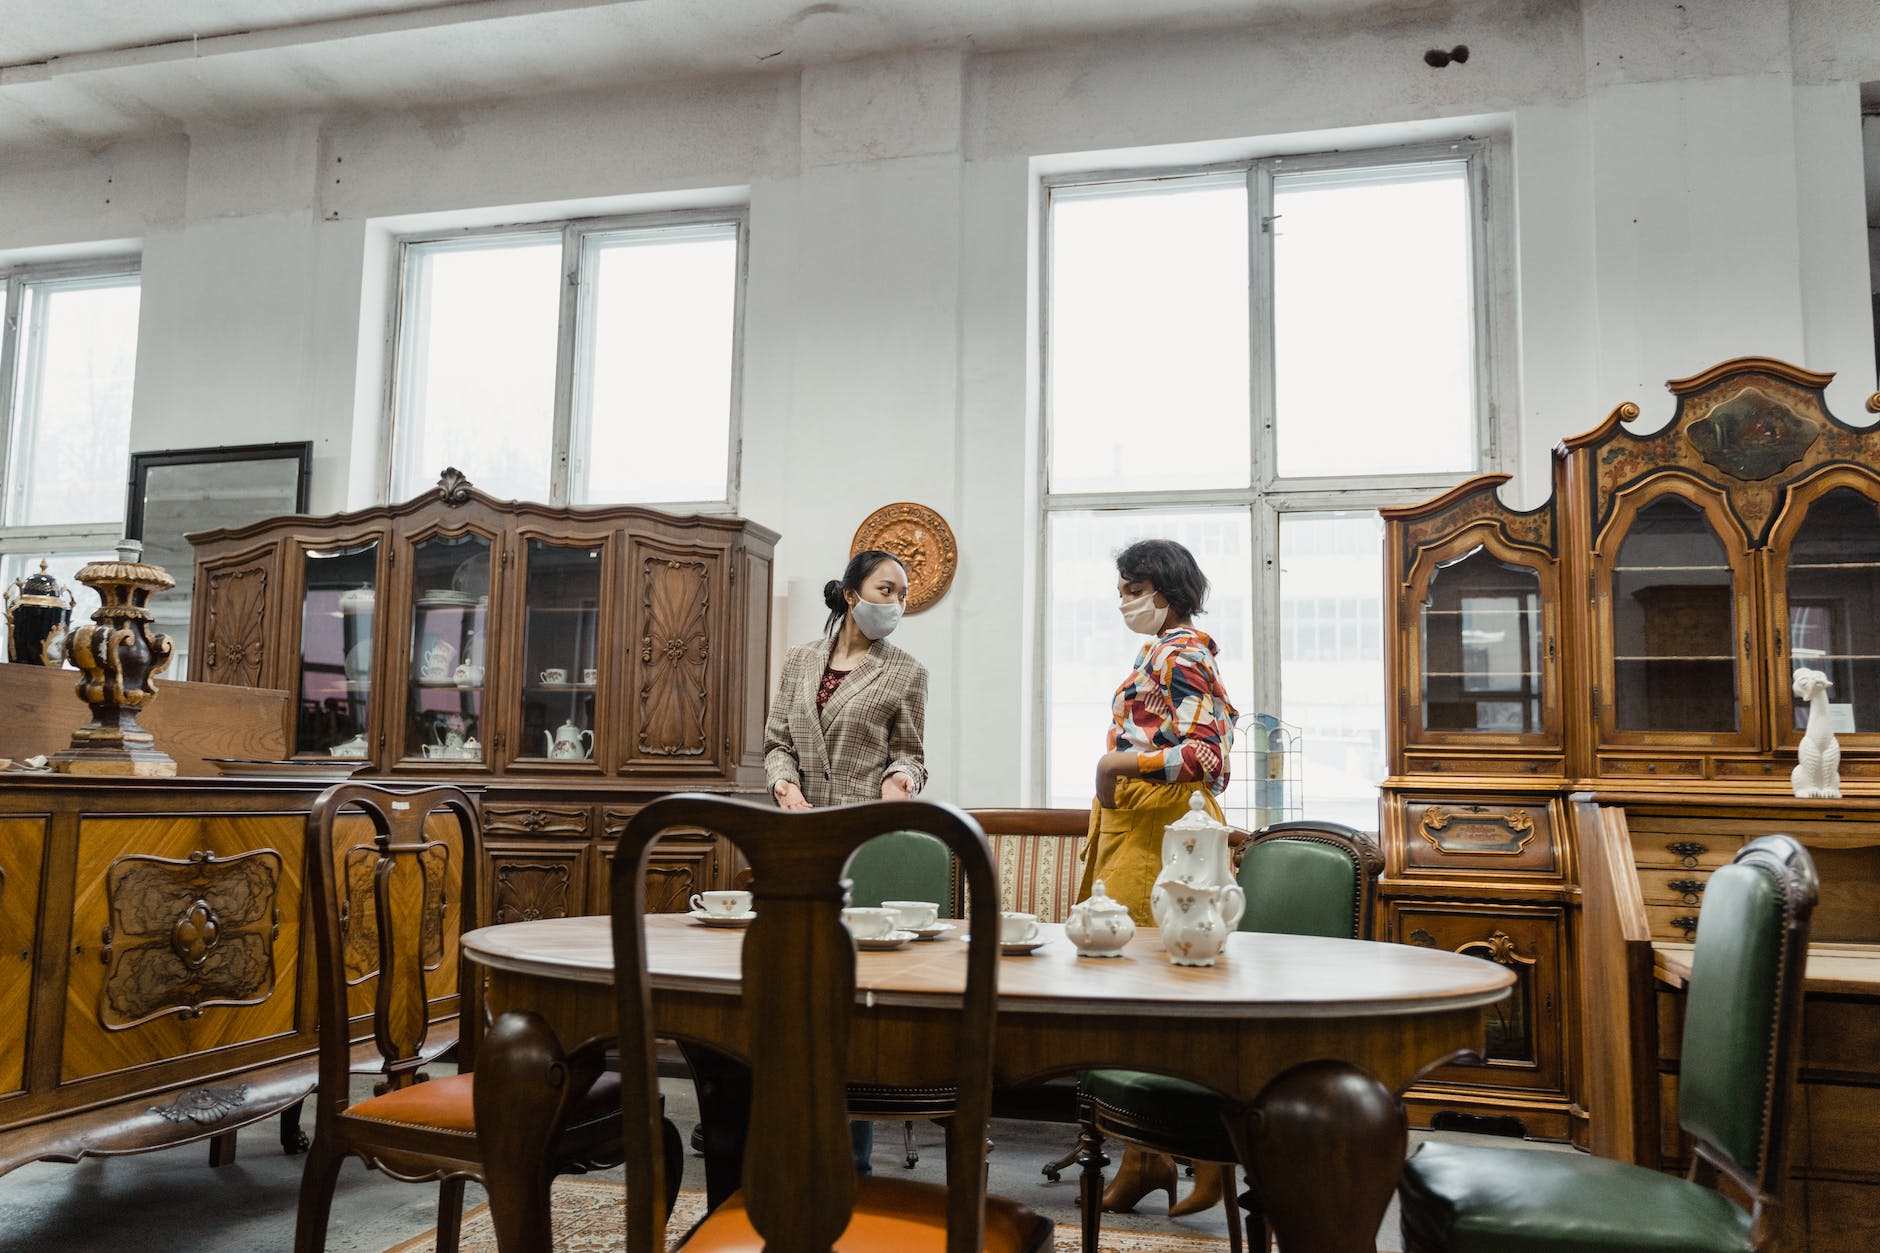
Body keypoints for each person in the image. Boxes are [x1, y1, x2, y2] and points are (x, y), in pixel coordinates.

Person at [1077, 537, 1239, 1221]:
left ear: (1163, 592)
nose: (1122, 602)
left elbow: (1206, 755)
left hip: (1161, 824)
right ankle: (1147, 1156)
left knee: (1157, 985)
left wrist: (1118, 767)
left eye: (1131, 590)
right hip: (1143, 821)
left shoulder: (1183, 652)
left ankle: (1207, 1157)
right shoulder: (1163, 651)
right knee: (1137, 988)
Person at [763, 547, 928, 1172]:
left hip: (865, 845)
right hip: (799, 840)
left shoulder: (905, 672)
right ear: (853, 594)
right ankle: (789, 1141)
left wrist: (899, 783)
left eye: (904, 594)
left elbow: (911, 754)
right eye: (887, 590)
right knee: (795, 991)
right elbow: (777, 742)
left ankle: (852, 1160)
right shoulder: (799, 660)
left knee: (850, 999)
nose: (897, 603)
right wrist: (785, 788)